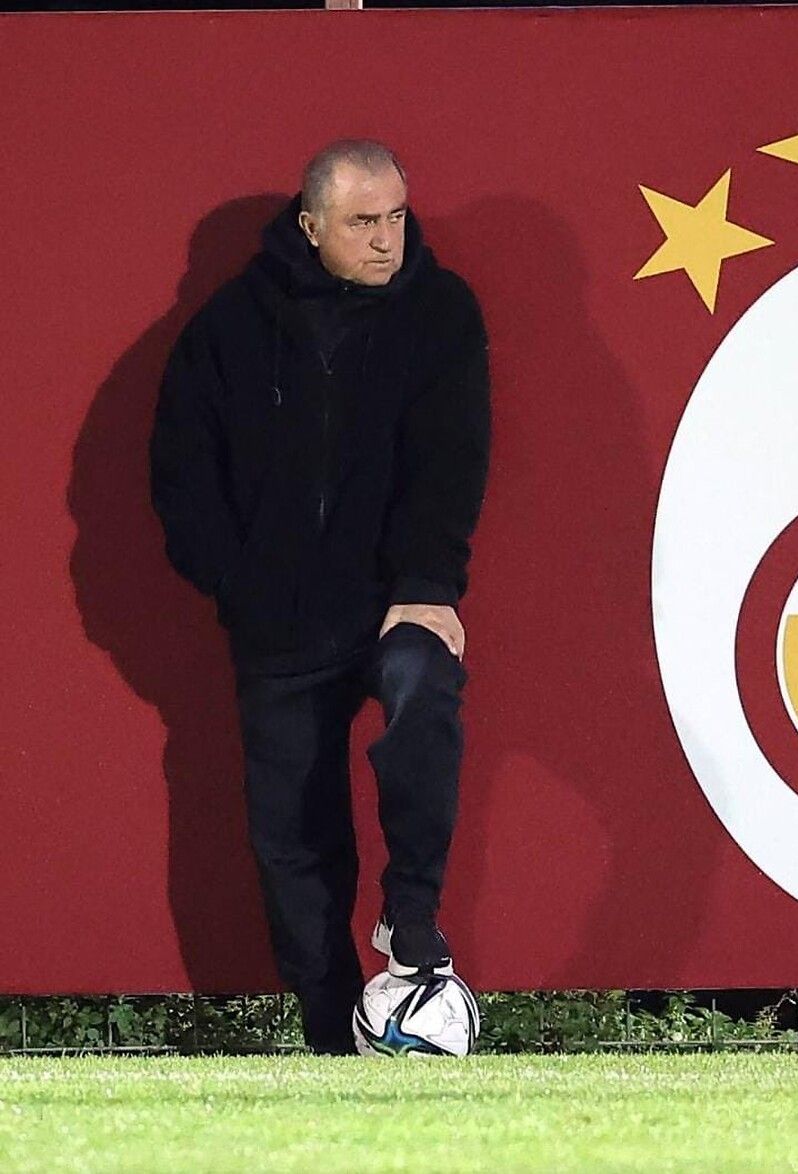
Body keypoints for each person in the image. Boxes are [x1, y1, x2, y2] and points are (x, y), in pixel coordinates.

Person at [149, 138, 491, 1054]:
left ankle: (410, 922)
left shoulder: (443, 313)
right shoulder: (227, 329)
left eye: (396, 218)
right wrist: (241, 587)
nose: (387, 241)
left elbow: (450, 463)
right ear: (311, 227)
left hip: (395, 606)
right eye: (362, 222)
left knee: (425, 688)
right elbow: (181, 476)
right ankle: (334, 1043)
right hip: (281, 623)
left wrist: (426, 587)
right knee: (293, 845)